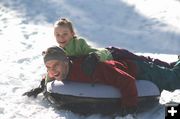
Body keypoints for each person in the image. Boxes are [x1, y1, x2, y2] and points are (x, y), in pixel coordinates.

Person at [23, 46, 180, 107]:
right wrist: (40, 86)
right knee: (170, 69)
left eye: (55, 65)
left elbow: (126, 80)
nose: (52, 71)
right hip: (125, 65)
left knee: (174, 79)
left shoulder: (89, 70)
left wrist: (129, 107)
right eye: (48, 67)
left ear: (65, 62)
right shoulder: (61, 70)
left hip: (139, 69)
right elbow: (49, 76)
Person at [53, 18, 176, 76]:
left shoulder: (79, 43)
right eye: (58, 35)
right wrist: (44, 83)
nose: (61, 37)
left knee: (143, 60)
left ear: (72, 34)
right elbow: (53, 67)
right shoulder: (59, 51)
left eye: (65, 34)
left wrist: (95, 56)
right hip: (111, 60)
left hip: (113, 54)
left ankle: (170, 66)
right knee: (143, 61)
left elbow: (98, 52)